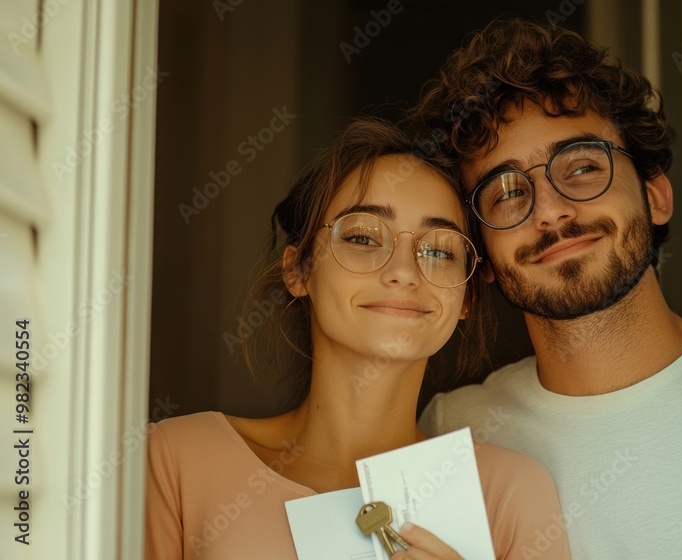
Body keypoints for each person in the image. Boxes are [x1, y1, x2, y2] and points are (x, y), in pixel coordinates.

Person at [414, 19, 682, 559]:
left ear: (655, 196)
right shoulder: (453, 434)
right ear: (485, 259)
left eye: (584, 167)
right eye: (506, 194)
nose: (549, 211)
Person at [144, 118, 570, 560]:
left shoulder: (511, 494)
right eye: (363, 238)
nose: (404, 271)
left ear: (466, 296)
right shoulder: (175, 460)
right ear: (299, 269)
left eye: (440, 250)